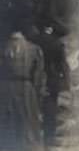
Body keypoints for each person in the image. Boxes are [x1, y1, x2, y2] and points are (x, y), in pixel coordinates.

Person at [0, 24, 47, 151]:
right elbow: (39, 74)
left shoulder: (3, 47)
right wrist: (37, 92)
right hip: (26, 88)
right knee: (27, 120)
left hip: (6, 87)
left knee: (8, 120)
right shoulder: (34, 48)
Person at [33, 20, 70, 148]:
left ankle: (35, 139)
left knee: (34, 109)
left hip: (35, 79)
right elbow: (63, 65)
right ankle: (49, 140)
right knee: (50, 110)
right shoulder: (57, 43)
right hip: (51, 80)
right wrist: (66, 83)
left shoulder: (35, 40)